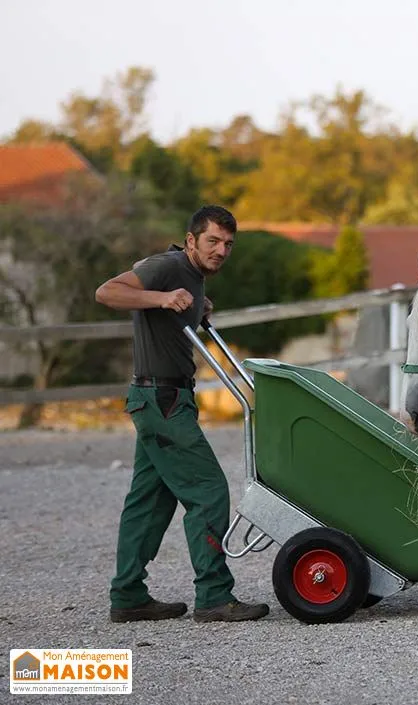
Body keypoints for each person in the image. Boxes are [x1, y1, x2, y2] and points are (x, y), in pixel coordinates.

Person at [95, 205, 269, 623]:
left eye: (228, 244)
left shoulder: (189, 275)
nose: (221, 250)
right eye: (212, 241)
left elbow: (171, 296)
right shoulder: (168, 266)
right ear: (191, 240)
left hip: (166, 398)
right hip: (162, 400)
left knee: (149, 501)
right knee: (207, 490)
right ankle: (213, 595)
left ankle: (128, 595)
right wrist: (161, 297)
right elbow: (107, 292)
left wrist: (195, 305)